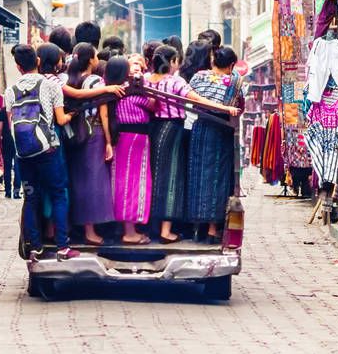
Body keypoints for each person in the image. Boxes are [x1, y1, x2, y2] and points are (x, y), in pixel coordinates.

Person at [147, 45, 233, 243]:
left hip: (154, 129)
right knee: (172, 178)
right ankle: (166, 231)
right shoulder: (175, 82)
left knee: (154, 176)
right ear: (172, 62)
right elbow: (197, 100)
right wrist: (225, 108)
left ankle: (151, 227)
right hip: (173, 129)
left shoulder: (147, 80)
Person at [6, 44, 79, 261]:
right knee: (58, 194)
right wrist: (73, 114)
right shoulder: (50, 86)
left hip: (24, 154)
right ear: (37, 62)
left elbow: (12, 123)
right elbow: (61, 119)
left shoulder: (10, 91)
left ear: (18, 67)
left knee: (30, 198)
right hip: (48, 150)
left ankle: (35, 248)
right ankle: (62, 247)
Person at [186, 46, 244, 242]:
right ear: (230, 65)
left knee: (197, 176)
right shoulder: (234, 82)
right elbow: (238, 107)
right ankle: (212, 229)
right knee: (218, 179)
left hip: (199, 129)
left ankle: (196, 227)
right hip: (220, 132)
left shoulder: (197, 77)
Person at [64, 43, 114, 244]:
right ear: (91, 60)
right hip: (95, 133)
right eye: (95, 56)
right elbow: (103, 113)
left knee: (80, 181)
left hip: (77, 133)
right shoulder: (96, 81)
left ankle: (82, 227)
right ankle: (90, 231)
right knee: (94, 182)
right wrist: (109, 142)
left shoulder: (72, 80)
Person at [104, 56, 155, 244]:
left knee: (121, 182)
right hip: (136, 138)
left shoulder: (110, 89)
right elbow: (153, 105)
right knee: (134, 182)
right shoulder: (132, 92)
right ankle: (130, 232)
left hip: (120, 139)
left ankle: (124, 227)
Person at [0, 97, 20, 198]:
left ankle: (7, 191)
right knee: (17, 166)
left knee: (7, 166)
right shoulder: (19, 109)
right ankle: (16, 192)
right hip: (17, 140)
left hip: (6, 141)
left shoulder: (3, 110)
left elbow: (0, 127)